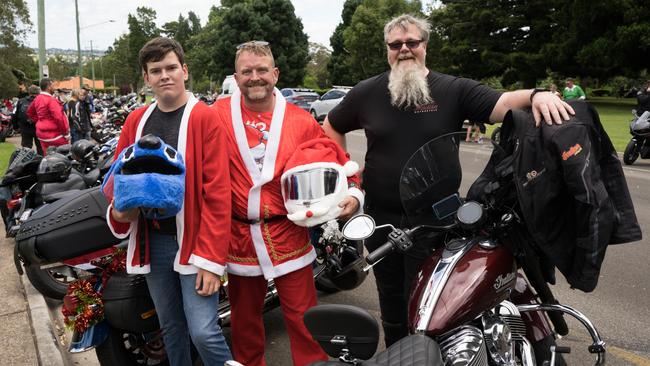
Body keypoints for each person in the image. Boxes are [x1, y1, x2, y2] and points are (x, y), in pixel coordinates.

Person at [322, 14, 574, 347]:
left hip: (435, 224)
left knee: (434, 309)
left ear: (424, 45)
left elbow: (502, 104)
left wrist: (537, 94)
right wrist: (348, 178)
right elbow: (331, 125)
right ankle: (398, 355)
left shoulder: (453, 89)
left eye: (412, 42)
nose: (404, 50)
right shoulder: (367, 92)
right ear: (387, 50)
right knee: (393, 305)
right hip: (381, 221)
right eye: (396, 45)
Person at [212, 41, 362, 366]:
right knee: (245, 328)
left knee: (306, 323)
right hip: (238, 240)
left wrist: (351, 192)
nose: (255, 77)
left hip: (289, 235)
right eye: (247, 71)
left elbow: (334, 156)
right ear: (236, 77)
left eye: (262, 70)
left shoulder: (299, 120)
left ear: (275, 73)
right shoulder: (215, 117)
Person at [106, 37, 232, 366]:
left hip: (195, 243)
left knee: (203, 330)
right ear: (146, 78)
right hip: (155, 243)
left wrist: (211, 260)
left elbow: (218, 193)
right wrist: (120, 208)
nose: (165, 75)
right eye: (156, 70)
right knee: (171, 328)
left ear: (185, 71)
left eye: (171, 68)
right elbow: (117, 180)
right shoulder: (135, 122)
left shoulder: (205, 118)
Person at [26, 78, 70, 155]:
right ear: (49, 86)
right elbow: (59, 118)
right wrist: (66, 134)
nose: (54, 88)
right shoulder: (51, 100)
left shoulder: (37, 98)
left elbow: (30, 112)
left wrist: (40, 120)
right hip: (54, 135)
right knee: (64, 156)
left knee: (47, 156)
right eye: (53, 85)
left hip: (41, 134)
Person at [12, 85, 43, 155]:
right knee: (40, 148)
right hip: (39, 128)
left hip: (25, 128)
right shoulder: (41, 101)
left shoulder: (21, 101)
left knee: (26, 149)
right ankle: (41, 163)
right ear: (38, 92)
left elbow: (14, 115)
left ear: (29, 92)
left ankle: (26, 164)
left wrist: (15, 127)